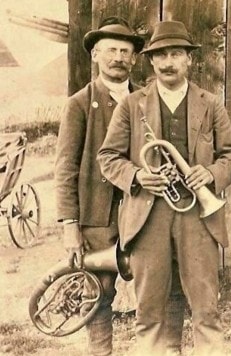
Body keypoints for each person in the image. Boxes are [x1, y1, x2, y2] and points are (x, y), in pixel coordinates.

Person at [97, 20, 231, 355]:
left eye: (176, 54)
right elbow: (108, 156)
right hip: (148, 217)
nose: (168, 62)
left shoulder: (211, 103)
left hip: (198, 217)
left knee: (206, 308)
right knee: (149, 310)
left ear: (189, 59)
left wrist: (210, 174)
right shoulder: (132, 104)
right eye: (160, 55)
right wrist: (136, 176)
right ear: (150, 61)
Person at [55, 17, 185, 356]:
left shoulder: (150, 99)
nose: (118, 58)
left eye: (126, 51)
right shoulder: (79, 104)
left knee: (165, 284)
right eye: (110, 50)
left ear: (134, 58)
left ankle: (169, 350)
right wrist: (70, 225)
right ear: (95, 55)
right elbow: (65, 168)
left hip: (146, 209)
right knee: (98, 291)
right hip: (98, 214)